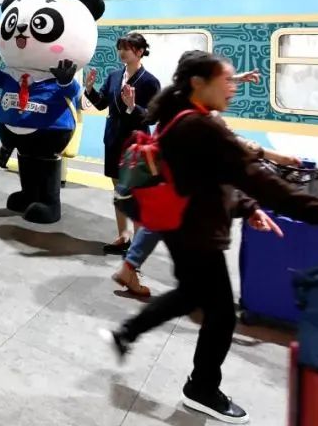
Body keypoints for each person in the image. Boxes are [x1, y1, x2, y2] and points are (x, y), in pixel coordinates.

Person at [103, 51, 318, 425]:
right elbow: (258, 180)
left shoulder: (184, 117)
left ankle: (127, 334)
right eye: (226, 80)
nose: (233, 87)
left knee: (191, 296)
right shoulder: (201, 126)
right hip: (197, 234)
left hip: (185, 229)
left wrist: (247, 208)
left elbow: (212, 179)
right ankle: (200, 389)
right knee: (221, 316)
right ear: (199, 83)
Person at [111, 67, 266, 298]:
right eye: (224, 82)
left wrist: (237, 78)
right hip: (180, 182)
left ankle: (131, 268)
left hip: (169, 181)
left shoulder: (178, 101)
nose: (229, 89)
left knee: (160, 221)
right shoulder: (195, 114)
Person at [85, 32, 161, 256]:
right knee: (119, 190)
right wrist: (89, 90)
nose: (121, 52)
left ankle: (138, 244)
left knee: (136, 193)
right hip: (113, 139)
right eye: (120, 48)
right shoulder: (114, 76)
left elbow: (152, 118)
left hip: (135, 143)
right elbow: (102, 104)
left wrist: (132, 107)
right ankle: (123, 236)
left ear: (140, 51)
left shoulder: (150, 81)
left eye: (127, 48)